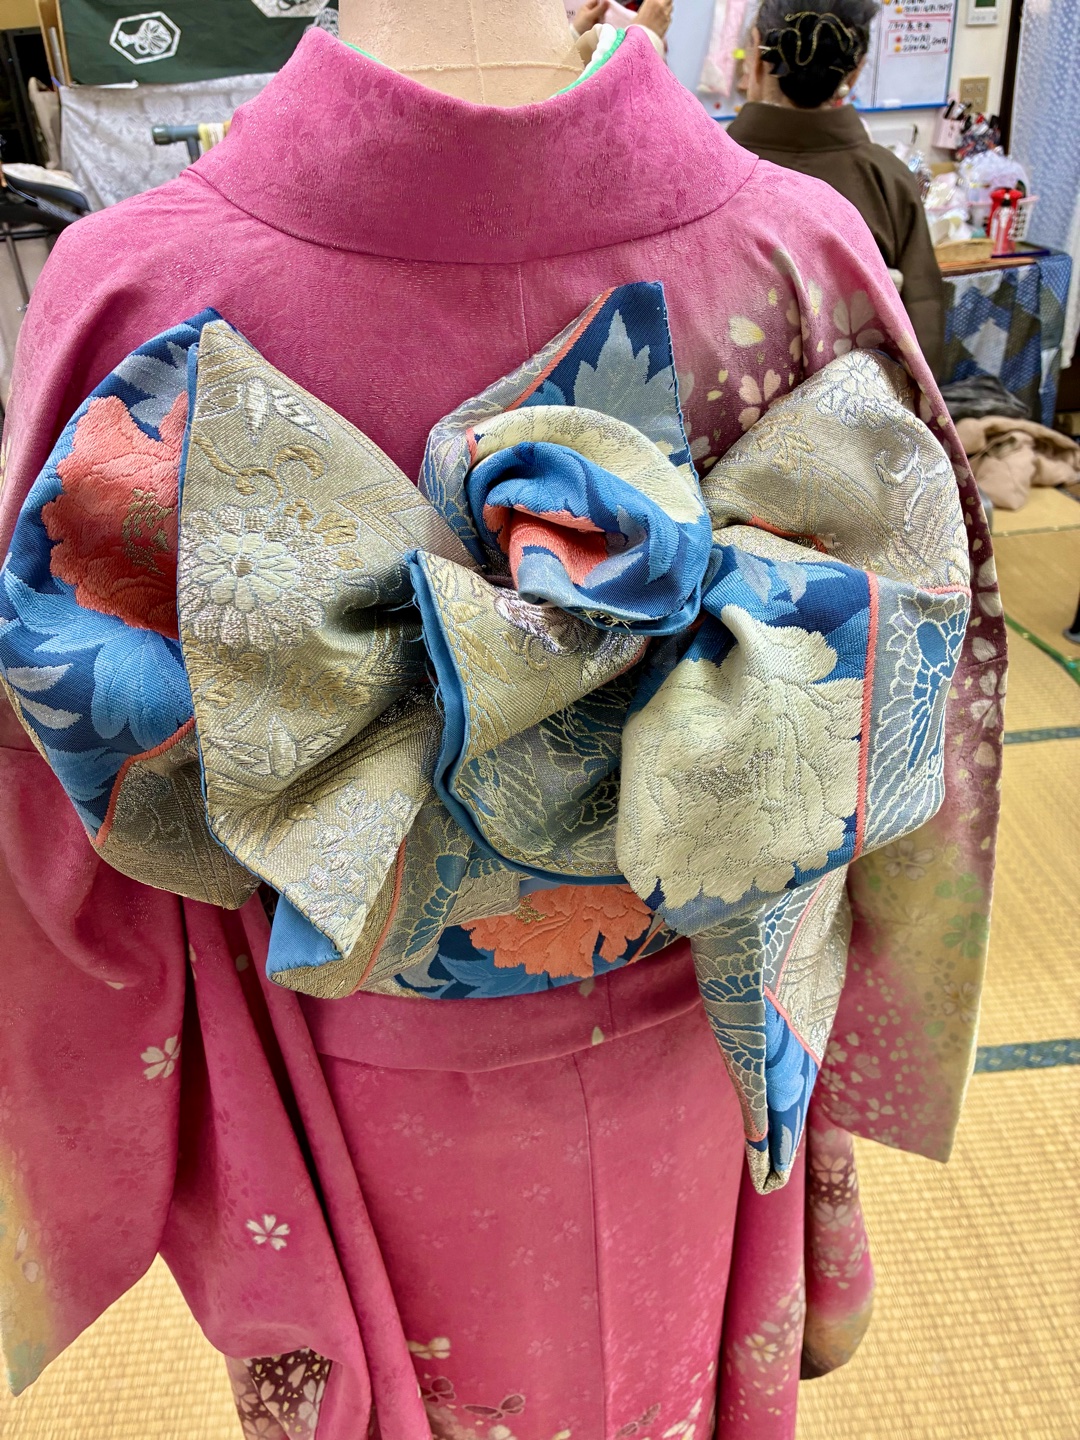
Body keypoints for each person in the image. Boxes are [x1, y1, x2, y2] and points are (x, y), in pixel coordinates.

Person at [0, 6, 1001, 1439]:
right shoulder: (801, 249)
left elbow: (59, 807)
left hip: (352, 1035)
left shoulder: (131, 284)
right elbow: (915, 704)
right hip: (703, 1006)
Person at [727, 0, 945, 376]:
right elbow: (923, 323)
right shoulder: (887, 179)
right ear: (855, 70)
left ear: (756, 54)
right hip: (862, 408)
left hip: (733, 401)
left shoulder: (703, 170)